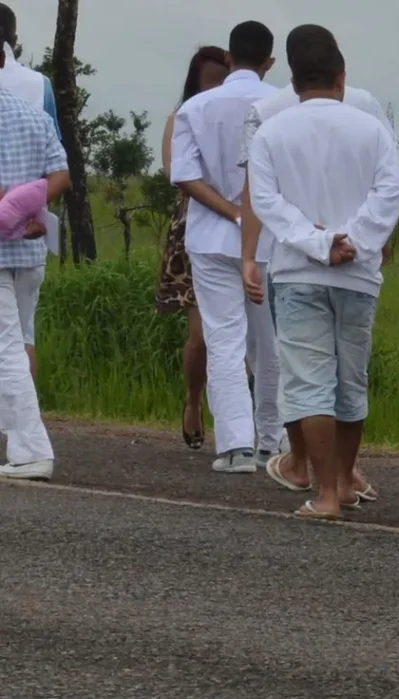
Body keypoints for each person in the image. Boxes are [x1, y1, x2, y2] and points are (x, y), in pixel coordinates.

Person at [247, 25, 399, 520]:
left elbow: (265, 201)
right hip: (357, 273)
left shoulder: (272, 131)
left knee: (308, 382)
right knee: (349, 382)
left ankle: (327, 495)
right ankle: (344, 479)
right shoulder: (371, 128)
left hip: (298, 271)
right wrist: (353, 240)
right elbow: (391, 192)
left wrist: (319, 242)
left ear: (294, 83)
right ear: (342, 77)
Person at [171, 20, 284, 473]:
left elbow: (184, 176)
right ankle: (273, 442)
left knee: (223, 339)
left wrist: (232, 212)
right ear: (269, 61)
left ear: (230, 58)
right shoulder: (281, 105)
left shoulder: (195, 107)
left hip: (210, 239)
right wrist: (252, 216)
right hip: (271, 241)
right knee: (271, 342)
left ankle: (236, 446)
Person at [0, 50, 71, 481]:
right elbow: (60, 175)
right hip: (29, 249)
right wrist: (28, 207)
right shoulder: (32, 115)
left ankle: (31, 448)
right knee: (18, 341)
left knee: (6, 348)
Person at [156, 46, 230, 451]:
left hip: (245, 226)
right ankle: (193, 400)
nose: (216, 88)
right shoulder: (181, 118)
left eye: (224, 78)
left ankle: (244, 421)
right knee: (201, 334)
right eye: (209, 80)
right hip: (195, 230)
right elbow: (175, 172)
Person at [0, 4, 61, 383]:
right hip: (29, 230)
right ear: (14, 40)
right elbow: (55, 161)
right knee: (24, 333)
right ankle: (21, 427)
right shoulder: (39, 86)